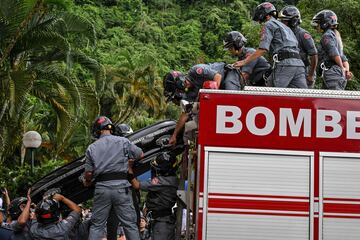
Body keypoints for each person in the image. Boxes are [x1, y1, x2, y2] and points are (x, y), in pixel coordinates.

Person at [83, 116, 143, 240]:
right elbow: (140, 154)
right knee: (130, 225)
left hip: (102, 189)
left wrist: (88, 181)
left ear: (97, 130)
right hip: (121, 188)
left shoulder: (91, 148)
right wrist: (128, 163)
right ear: (110, 128)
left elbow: (88, 174)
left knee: (97, 226)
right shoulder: (123, 141)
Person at [234, 2, 307, 89]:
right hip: (299, 65)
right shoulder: (286, 27)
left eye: (260, 20)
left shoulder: (268, 24)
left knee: (271, 94)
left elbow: (263, 49)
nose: (260, 23)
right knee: (302, 97)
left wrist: (244, 62)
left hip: (285, 65)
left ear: (264, 16)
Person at [128, 152, 178, 240]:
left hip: (161, 224)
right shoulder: (172, 179)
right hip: (164, 221)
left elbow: (136, 185)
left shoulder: (162, 182)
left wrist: (129, 168)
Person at [311, 10, 353, 90]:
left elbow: (334, 53)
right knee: (327, 100)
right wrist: (346, 70)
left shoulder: (327, 36)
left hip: (332, 73)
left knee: (334, 100)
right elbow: (343, 57)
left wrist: (341, 67)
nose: (316, 26)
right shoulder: (335, 36)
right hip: (337, 73)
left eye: (318, 24)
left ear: (325, 23)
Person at [279, 6, 318, 88]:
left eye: (284, 21)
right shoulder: (284, 34)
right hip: (290, 70)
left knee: (304, 97)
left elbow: (314, 55)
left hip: (305, 71)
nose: (282, 23)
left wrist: (310, 75)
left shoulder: (303, 34)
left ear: (293, 21)